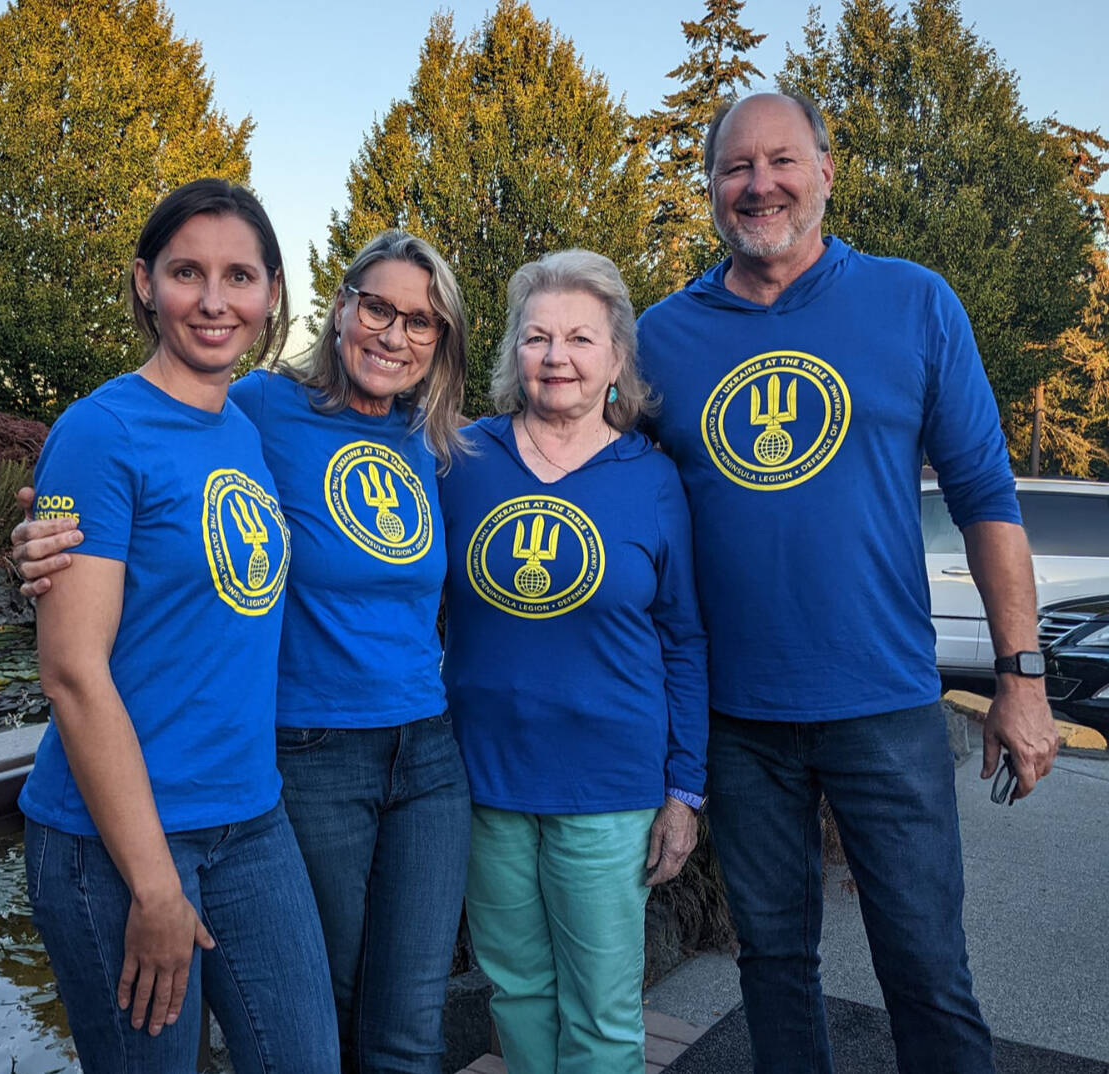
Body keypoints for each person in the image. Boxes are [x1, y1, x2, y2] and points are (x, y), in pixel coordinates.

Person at [635, 93, 1061, 1074]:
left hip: (885, 708)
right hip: (737, 721)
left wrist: (1022, 680)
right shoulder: (660, 339)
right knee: (772, 962)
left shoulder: (912, 303)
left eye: (780, 161)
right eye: (734, 168)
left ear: (825, 172)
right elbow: (606, 490)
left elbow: (985, 499)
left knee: (924, 965)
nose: (758, 185)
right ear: (710, 188)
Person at [14, 230, 472, 1074]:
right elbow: (121, 460)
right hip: (307, 753)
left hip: (409, 756)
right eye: (376, 306)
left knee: (402, 1030)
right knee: (320, 1018)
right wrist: (38, 537)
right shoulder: (257, 405)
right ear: (337, 308)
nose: (392, 333)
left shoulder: (438, 443)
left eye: (420, 320)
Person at [17, 178, 337, 1073]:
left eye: (240, 276)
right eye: (187, 271)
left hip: (250, 819)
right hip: (116, 846)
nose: (213, 300)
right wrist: (154, 886)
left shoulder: (246, 424)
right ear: (144, 283)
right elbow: (72, 674)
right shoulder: (100, 429)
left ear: (273, 293)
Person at [439, 249, 709, 1074]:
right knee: (517, 990)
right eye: (538, 337)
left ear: (618, 360)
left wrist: (684, 788)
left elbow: (683, 638)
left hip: (610, 787)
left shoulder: (655, 481)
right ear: (512, 352)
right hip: (486, 780)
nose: (557, 357)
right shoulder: (457, 458)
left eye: (581, 339)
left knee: (602, 1013)